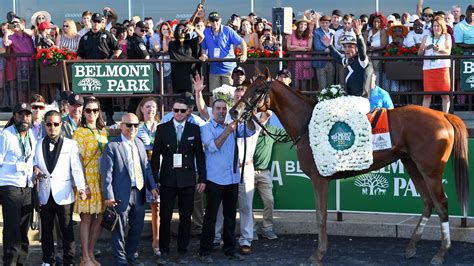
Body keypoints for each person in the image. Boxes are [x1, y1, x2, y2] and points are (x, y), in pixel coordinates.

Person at [198, 99, 256, 263]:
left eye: (224, 109)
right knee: (211, 216)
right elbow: (213, 146)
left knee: (230, 216)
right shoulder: (206, 128)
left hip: (232, 178)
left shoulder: (233, 126)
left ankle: (230, 249)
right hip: (214, 179)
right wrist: (228, 132)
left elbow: (250, 131)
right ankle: (205, 251)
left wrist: (250, 117)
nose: (221, 111)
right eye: (218, 109)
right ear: (212, 111)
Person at [151, 98, 207, 264]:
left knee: (185, 217)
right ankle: (165, 250)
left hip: (188, 180)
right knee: (165, 217)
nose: (179, 113)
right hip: (167, 180)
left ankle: (183, 251)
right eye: (176, 110)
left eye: (183, 110)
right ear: (172, 110)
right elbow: (155, 157)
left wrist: (202, 178)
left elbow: (200, 156)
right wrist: (154, 182)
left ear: (188, 111)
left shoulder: (194, 129)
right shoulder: (162, 129)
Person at [100, 113, 159, 265]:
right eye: (129, 125)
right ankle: (120, 260)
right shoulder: (112, 146)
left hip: (138, 192)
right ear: (121, 126)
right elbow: (106, 174)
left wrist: (152, 187)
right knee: (119, 229)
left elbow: (146, 168)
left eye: (135, 125)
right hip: (120, 194)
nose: (132, 128)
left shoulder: (139, 143)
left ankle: (130, 255)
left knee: (137, 226)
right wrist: (108, 196)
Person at [33, 110, 87, 265]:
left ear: (61, 124)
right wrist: (34, 168)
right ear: (45, 124)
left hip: (64, 193)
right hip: (44, 193)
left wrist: (81, 188)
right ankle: (47, 260)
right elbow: (33, 162)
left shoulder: (70, 144)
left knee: (67, 230)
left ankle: (69, 260)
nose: (52, 127)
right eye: (49, 124)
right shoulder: (38, 144)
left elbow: (76, 168)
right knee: (47, 230)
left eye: (56, 124)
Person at [72, 96, 108, 266]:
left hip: (102, 179)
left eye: (95, 110)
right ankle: (84, 256)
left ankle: (91, 253)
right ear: (84, 112)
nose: (92, 113)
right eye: (88, 110)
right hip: (87, 178)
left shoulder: (103, 131)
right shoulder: (79, 132)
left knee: (100, 217)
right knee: (86, 218)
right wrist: (83, 184)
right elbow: (77, 160)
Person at [0, 102, 36, 265]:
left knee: (24, 228)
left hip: (27, 186)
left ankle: (21, 261)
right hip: (10, 186)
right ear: (14, 116)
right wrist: (18, 166)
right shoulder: (6, 135)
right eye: (21, 114)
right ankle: (10, 262)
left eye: (27, 114)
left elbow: (32, 159)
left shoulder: (31, 136)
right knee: (12, 229)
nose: (24, 118)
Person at [76, 13, 122, 126]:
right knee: (88, 96)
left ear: (102, 23)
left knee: (106, 95)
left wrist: (112, 59)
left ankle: (109, 118)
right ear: (91, 22)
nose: (96, 24)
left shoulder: (107, 35)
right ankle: (86, 119)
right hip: (89, 70)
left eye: (98, 22)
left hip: (104, 70)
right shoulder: (85, 37)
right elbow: (79, 56)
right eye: (94, 21)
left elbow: (118, 48)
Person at [252, 111, 291, 240]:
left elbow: (287, 136)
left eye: (268, 116)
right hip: (247, 171)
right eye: (263, 116)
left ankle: (267, 229)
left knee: (269, 201)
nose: (265, 117)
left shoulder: (271, 130)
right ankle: (250, 230)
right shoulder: (249, 129)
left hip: (264, 172)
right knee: (246, 204)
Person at [135, 97, 161, 257]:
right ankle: (134, 244)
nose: (151, 109)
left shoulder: (162, 127)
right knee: (137, 209)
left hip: (157, 170)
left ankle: (156, 243)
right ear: (142, 109)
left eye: (153, 107)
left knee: (156, 207)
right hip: (140, 170)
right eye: (148, 106)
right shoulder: (136, 127)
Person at [323, 19, 374, 98]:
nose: (346, 49)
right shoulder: (348, 60)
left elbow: (362, 51)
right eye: (345, 47)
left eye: (350, 47)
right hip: (350, 98)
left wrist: (359, 35)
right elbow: (338, 57)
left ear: (356, 48)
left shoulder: (362, 60)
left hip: (361, 100)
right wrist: (330, 46)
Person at [200, 11, 247, 91]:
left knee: (229, 96)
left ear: (220, 20)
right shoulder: (206, 31)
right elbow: (204, 47)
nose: (215, 23)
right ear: (209, 21)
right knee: (214, 95)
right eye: (212, 21)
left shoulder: (227, 30)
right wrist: (203, 54)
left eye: (216, 20)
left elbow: (242, 42)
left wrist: (244, 55)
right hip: (214, 69)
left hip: (228, 69)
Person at [419, 16, 452, 113]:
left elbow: (448, 51)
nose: (436, 28)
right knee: (427, 94)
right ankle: (425, 116)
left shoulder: (446, 36)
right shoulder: (426, 37)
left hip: (442, 68)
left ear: (442, 27)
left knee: (445, 94)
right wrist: (423, 48)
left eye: (438, 26)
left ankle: (445, 115)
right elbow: (419, 53)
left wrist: (439, 49)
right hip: (428, 68)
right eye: (434, 26)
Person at [169, 22, 204, 94]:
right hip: (178, 74)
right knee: (178, 97)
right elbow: (176, 56)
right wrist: (194, 60)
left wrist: (194, 29)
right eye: (180, 29)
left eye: (183, 29)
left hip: (190, 73)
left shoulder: (190, 42)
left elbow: (202, 37)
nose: (182, 31)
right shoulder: (172, 44)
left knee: (190, 97)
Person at [126, 21, 151, 113]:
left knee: (137, 96)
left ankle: (132, 114)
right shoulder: (138, 41)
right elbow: (146, 57)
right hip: (139, 71)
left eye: (146, 30)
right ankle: (131, 114)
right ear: (136, 28)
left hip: (134, 70)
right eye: (142, 30)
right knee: (140, 95)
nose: (144, 32)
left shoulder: (132, 39)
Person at [287, 17, 313, 90]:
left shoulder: (309, 34)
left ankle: (303, 99)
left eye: (305, 24)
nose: (303, 26)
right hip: (294, 61)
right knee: (295, 84)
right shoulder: (291, 33)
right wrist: (301, 48)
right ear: (298, 25)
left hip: (305, 61)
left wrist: (294, 47)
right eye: (301, 24)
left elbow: (308, 48)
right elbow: (288, 47)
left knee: (304, 84)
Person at [312, 15, 335, 90]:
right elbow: (317, 46)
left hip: (331, 61)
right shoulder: (316, 32)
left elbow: (336, 46)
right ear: (320, 23)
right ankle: (322, 101)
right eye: (322, 23)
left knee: (330, 85)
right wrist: (328, 48)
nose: (324, 24)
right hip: (320, 61)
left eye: (326, 22)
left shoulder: (333, 32)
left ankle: (330, 101)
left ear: (329, 23)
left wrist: (329, 47)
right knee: (322, 86)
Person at [364, 12, 388, 83]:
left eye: (378, 21)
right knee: (368, 73)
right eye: (374, 21)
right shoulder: (367, 32)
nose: (376, 23)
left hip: (378, 56)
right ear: (372, 22)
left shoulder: (383, 31)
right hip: (368, 56)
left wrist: (375, 48)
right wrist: (367, 48)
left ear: (382, 23)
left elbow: (383, 44)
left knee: (377, 74)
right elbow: (364, 44)